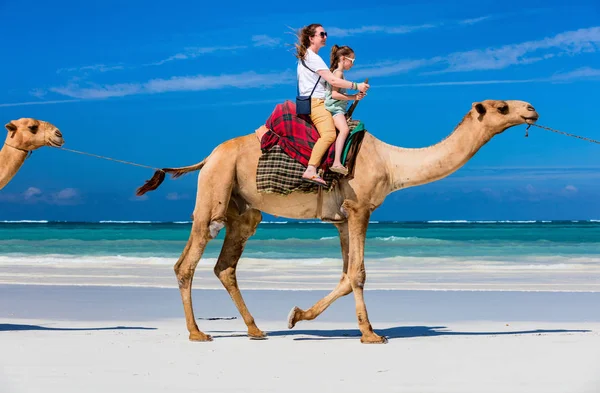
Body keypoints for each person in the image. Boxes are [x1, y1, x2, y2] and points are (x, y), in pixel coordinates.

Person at [295, 24, 369, 186]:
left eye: (325, 34)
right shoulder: (312, 58)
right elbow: (334, 81)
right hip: (317, 103)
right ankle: (311, 169)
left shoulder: (309, 57)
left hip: (317, 102)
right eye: (322, 34)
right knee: (329, 134)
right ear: (311, 38)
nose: (325, 37)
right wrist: (357, 86)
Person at [325, 45, 365, 176]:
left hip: (338, 109)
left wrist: (355, 97)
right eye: (352, 61)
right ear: (343, 59)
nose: (352, 64)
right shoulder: (338, 74)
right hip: (335, 110)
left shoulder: (338, 73)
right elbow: (334, 95)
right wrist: (353, 96)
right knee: (345, 130)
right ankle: (336, 162)